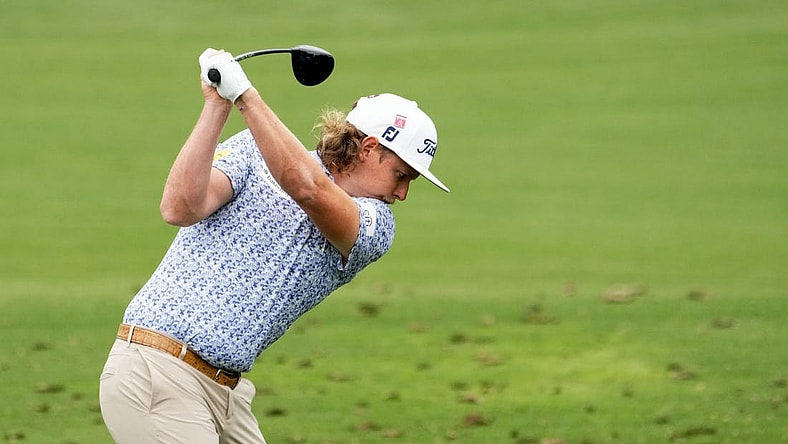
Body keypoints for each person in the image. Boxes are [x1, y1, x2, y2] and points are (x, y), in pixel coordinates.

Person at [98, 48, 449, 443]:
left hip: (225, 392)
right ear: (368, 149)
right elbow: (179, 207)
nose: (403, 193)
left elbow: (308, 188)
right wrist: (218, 104)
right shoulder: (252, 150)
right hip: (156, 370)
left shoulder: (375, 224)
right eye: (401, 175)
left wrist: (246, 96)